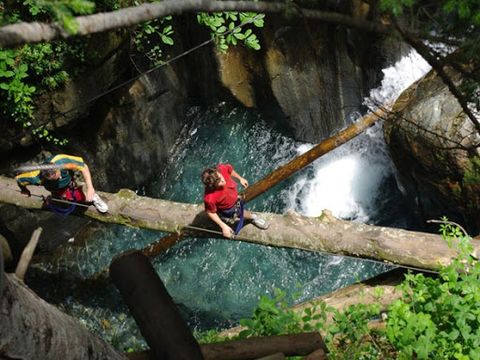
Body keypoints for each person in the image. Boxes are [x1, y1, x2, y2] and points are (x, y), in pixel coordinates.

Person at [15, 154, 109, 214]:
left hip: (69, 179)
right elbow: (19, 180)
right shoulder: (35, 178)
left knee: (80, 194)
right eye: (54, 179)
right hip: (55, 189)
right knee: (64, 198)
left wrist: (90, 188)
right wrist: (24, 190)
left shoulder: (62, 161)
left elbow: (83, 166)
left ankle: (94, 197)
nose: (58, 178)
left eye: (57, 175)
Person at [201, 163, 268, 238]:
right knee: (239, 213)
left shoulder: (221, 169)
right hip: (228, 208)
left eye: (220, 177)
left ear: (218, 172)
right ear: (212, 186)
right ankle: (253, 217)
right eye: (218, 182)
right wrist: (223, 226)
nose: (223, 181)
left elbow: (230, 170)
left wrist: (240, 178)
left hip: (234, 196)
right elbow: (210, 212)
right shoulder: (210, 198)